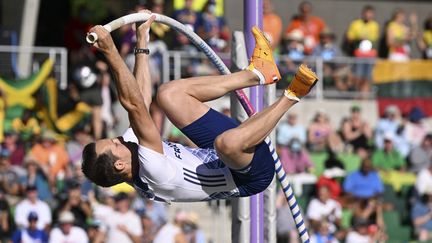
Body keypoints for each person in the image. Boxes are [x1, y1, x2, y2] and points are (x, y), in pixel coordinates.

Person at [82, 11, 318, 202]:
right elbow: (134, 106)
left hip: (217, 154)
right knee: (227, 143)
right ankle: (293, 94)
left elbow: (142, 99)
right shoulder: (152, 172)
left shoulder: (132, 148)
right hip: (250, 175)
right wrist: (110, 51)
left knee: (168, 94)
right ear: (120, 165)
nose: (115, 138)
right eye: (112, 144)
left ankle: (256, 73)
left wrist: (142, 42)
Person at [345, 5, 379, 93]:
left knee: (368, 77)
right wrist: (358, 37)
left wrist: (367, 37)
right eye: (367, 13)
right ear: (363, 14)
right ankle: (357, 94)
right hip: (359, 55)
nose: (369, 15)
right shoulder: (355, 24)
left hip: (370, 55)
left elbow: (375, 38)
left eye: (371, 13)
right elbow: (349, 37)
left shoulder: (375, 25)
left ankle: (365, 96)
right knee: (358, 75)